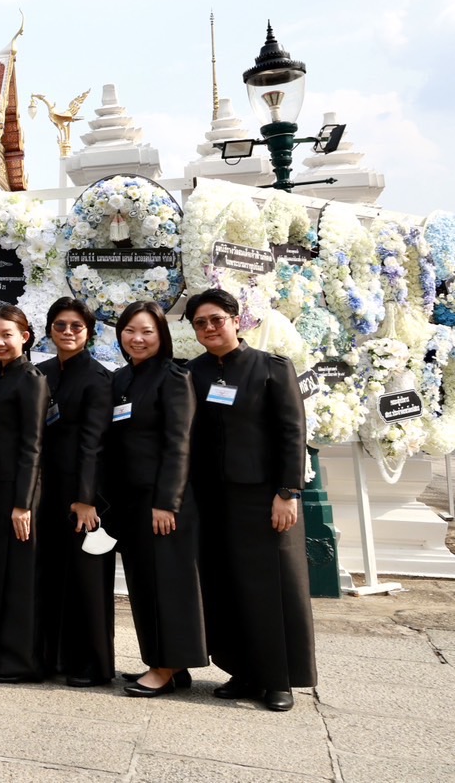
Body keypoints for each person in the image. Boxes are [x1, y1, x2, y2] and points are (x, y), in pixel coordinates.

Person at [185, 288, 316, 712]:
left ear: (235, 320)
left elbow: (292, 432)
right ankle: (242, 670)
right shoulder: (194, 373)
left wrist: (288, 491)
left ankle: (278, 678)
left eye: (216, 319)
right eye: (200, 323)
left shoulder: (271, 368)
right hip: (213, 498)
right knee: (226, 585)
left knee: (272, 587)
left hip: (264, 498)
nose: (209, 328)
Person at [108, 301, 207, 697]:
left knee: (168, 585)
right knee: (143, 584)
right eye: (130, 330)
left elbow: (178, 443)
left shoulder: (174, 377)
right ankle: (164, 662)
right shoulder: (121, 379)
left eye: (147, 331)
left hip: (163, 502)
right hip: (131, 501)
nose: (138, 338)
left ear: (161, 335)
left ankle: (165, 667)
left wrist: (168, 501)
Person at [34, 297, 115, 687]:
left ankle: (93, 663)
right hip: (45, 488)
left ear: (88, 331)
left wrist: (86, 498)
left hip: (81, 493)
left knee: (87, 579)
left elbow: (94, 443)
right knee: (52, 575)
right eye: (60, 325)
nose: (67, 332)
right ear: (49, 329)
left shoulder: (98, 378)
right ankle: (55, 655)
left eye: (76, 326)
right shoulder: (42, 372)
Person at [0, 305, 48, 683]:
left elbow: (33, 446)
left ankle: (19, 661)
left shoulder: (31, 379)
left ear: (25, 337)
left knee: (18, 578)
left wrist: (23, 504)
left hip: (16, 494)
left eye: (7, 335)